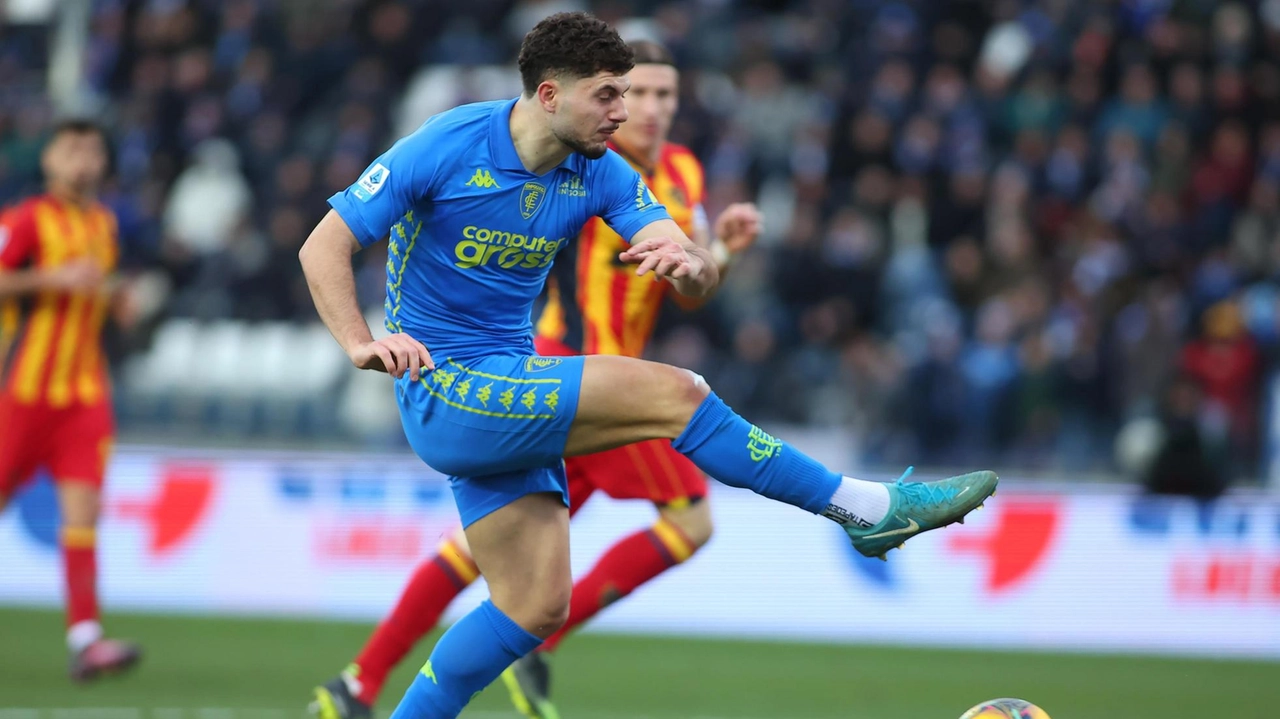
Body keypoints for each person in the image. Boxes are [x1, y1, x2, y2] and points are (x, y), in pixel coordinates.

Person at [298, 13, 996, 719]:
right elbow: (322, 246)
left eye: (630, 94)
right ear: (548, 95)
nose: (624, 112)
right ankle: (867, 508)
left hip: (513, 382)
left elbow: (673, 252)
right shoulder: (448, 145)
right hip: (447, 388)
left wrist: (688, 257)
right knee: (678, 393)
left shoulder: (602, 170)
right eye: (607, 95)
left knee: (533, 606)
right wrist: (361, 342)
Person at [309, 39, 761, 719]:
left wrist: (715, 252)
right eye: (636, 95)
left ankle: (362, 679)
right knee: (690, 521)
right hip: (565, 368)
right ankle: (533, 648)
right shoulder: (577, 161)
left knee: (494, 556)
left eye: (666, 96)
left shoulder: (682, 176)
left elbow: (690, 286)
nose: (651, 109)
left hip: (610, 378)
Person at [0, 119, 142, 682]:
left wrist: (115, 302)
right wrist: (51, 279)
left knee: (83, 513)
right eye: (72, 149)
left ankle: (86, 640)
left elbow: (90, 291)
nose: (83, 161)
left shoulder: (105, 224)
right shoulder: (27, 219)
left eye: (92, 150)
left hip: (84, 395)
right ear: (50, 160)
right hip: (24, 392)